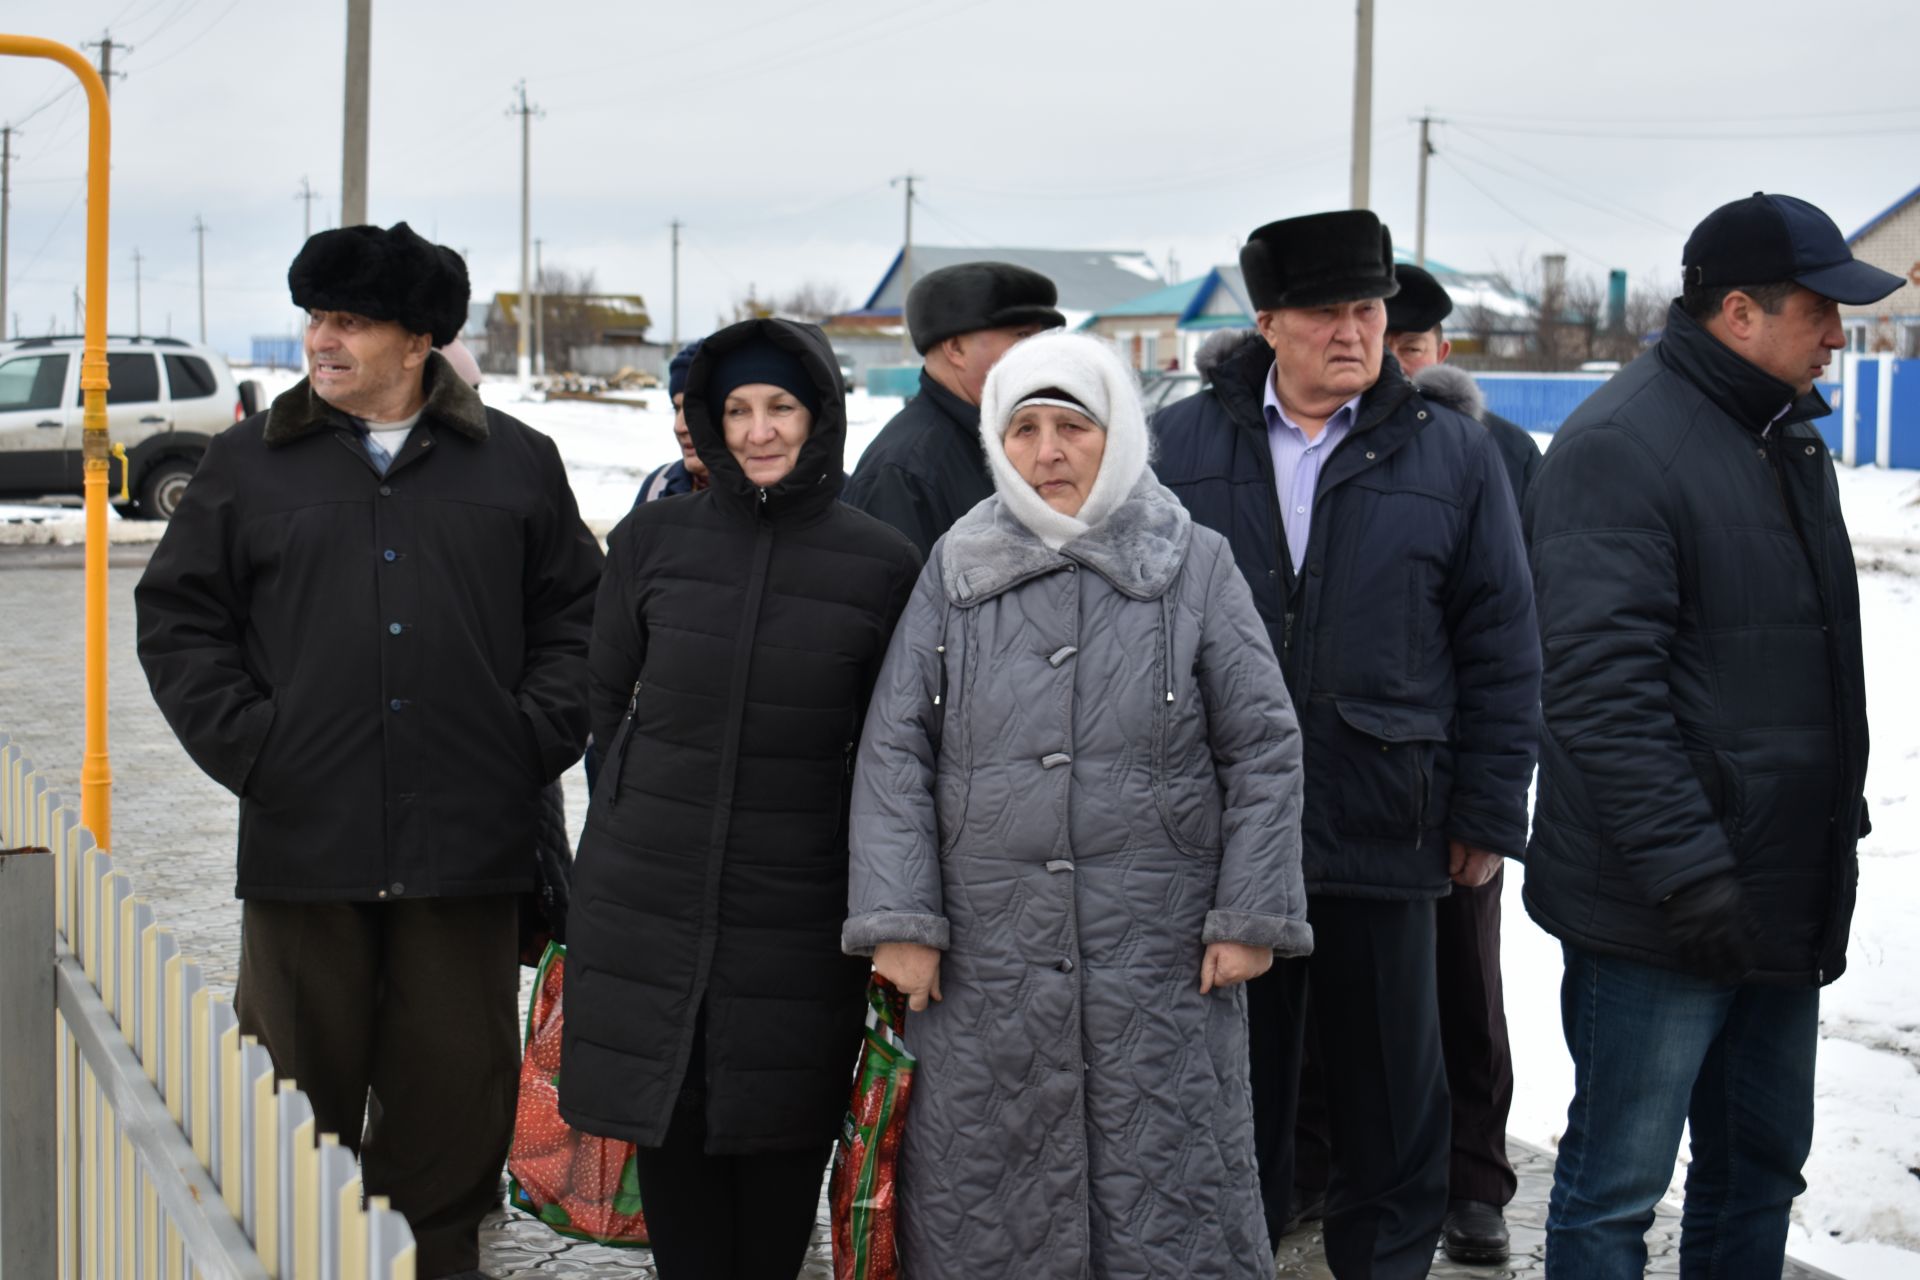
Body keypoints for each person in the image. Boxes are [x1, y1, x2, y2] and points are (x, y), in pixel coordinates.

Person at [136, 222, 603, 1280]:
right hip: (308, 853)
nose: (320, 338)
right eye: (314, 316)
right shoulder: (248, 465)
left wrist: (524, 737)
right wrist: (258, 747)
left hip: (466, 855)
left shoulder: (516, 464)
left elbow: (582, 621)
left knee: (451, 1116)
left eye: (349, 321)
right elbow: (178, 620)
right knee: (291, 1123)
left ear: (420, 338)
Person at [844, 330, 1310, 1278]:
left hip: (1164, 959)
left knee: (1168, 1196)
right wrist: (902, 921)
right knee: (987, 1202)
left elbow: (1263, 744)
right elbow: (895, 749)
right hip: (987, 962)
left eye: (1072, 427)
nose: (1047, 452)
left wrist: (1252, 913)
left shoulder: (1193, 561)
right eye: (1023, 430)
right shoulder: (958, 566)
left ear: (1119, 434)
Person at [1152, 210, 1540, 1278]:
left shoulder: (1452, 452)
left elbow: (1502, 641)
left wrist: (1487, 808)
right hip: (1220, 831)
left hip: (1389, 818)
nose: (1354, 332)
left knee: (1392, 1095)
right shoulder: (1179, 447)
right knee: (1241, 1088)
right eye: (1327, 311)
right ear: (1268, 320)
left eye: (1368, 310)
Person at [1525, 192, 1889, 1279]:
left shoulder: (1784, 435)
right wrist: (1691, 877)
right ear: (1739, 311)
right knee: (1616, 1186)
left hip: (1776, 882)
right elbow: (1597, 692)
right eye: (1821, 312)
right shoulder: (1620, 446)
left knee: (1762, 1165)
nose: (1838, 335)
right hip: (1660, 900)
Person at [559, 318, 921, 1280]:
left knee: (773, 1183)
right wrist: (635, 819)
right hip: (650, 908)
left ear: (820, 416)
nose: (760, 431)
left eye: (781, 408)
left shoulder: (881, 563)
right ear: (710, 425)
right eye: (738, 410)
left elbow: (893, 749)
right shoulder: (651, 540)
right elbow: (606, 701)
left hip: (797, 917)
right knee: (677, 1190)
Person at [842, 261, 1064, 554]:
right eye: (1022, 336)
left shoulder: (1006, 438)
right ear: (956, 349)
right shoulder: (906, 472)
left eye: (1041, 338)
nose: (1039, 353)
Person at [634, 339, 708, 504]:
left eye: (694, 410)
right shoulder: (658, 487)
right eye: (676, 409)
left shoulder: (766, 496)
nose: (679, 427)